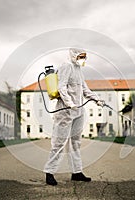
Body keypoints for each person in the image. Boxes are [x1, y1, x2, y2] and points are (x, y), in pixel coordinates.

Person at [43, 48, 105, 186]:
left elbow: (85, 89)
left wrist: (97, 99)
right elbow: (61, 87)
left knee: (76, 142)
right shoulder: (66, 66)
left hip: (78, 110)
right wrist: (69, 103)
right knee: (59, 142)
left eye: (84, 57)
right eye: (81, 56)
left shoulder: (79, 70)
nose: (83, 59)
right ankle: (49, 172)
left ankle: (76, 172)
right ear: (74, 55)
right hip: (65, 110)